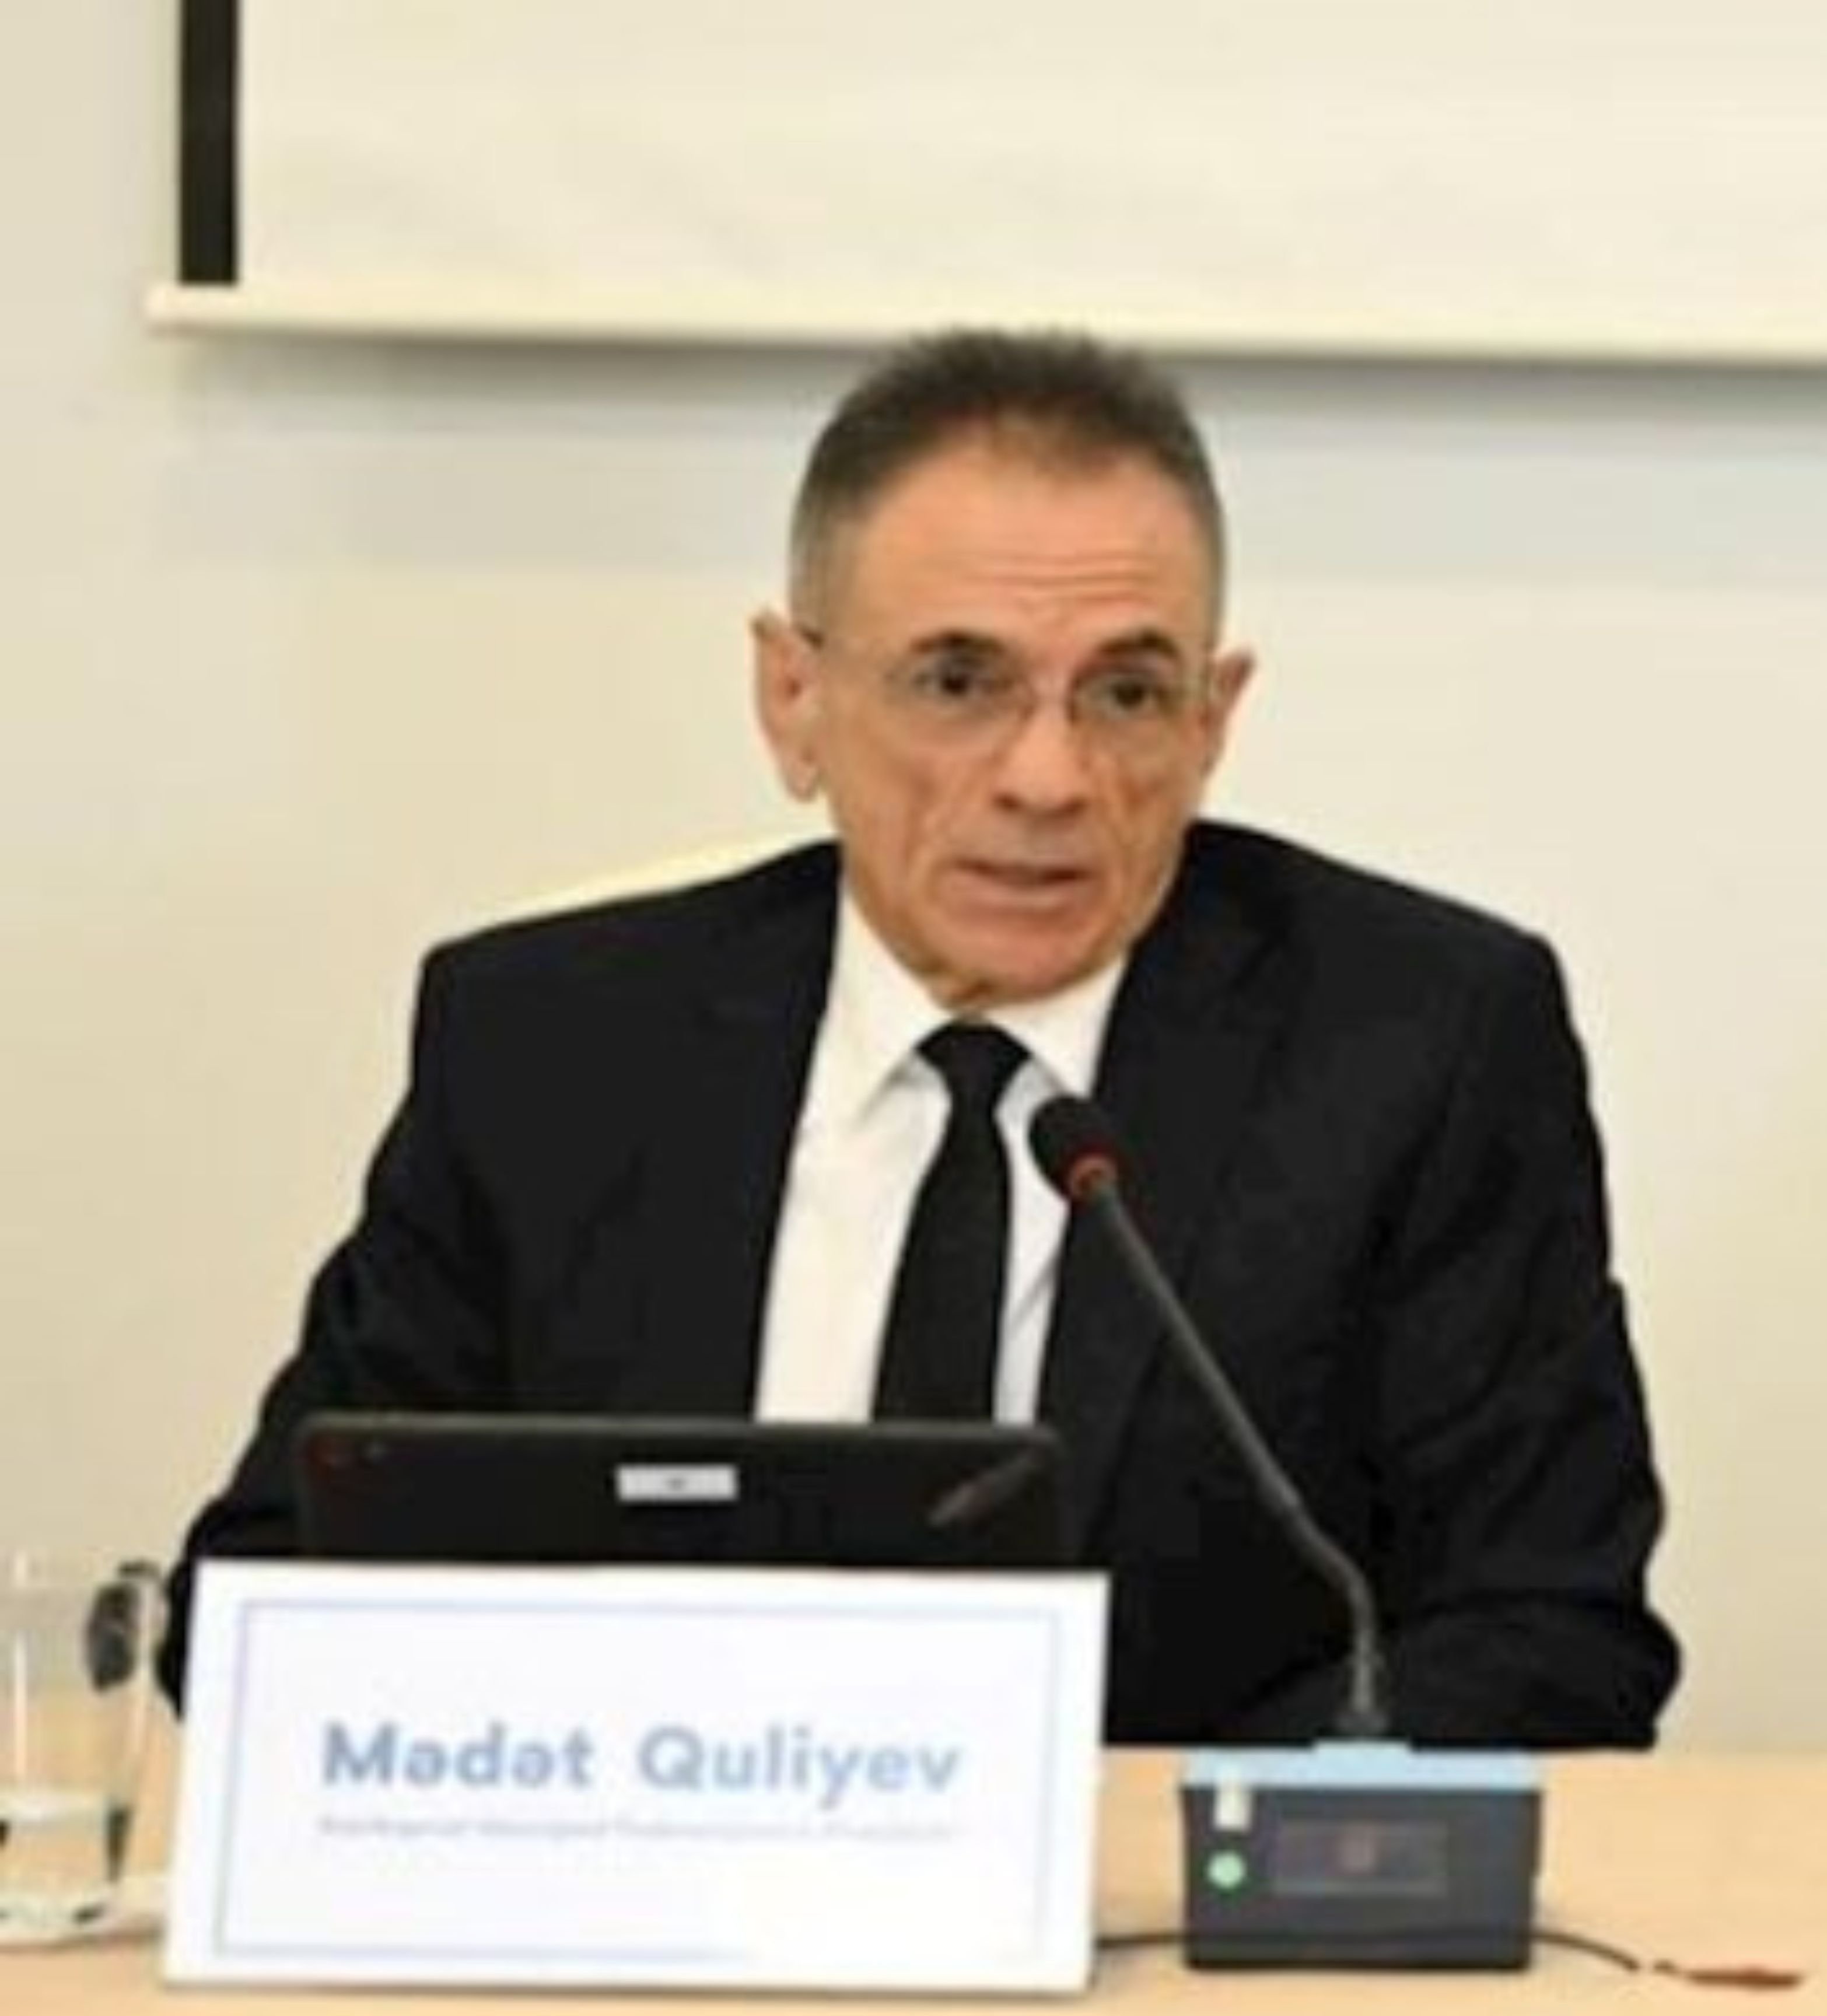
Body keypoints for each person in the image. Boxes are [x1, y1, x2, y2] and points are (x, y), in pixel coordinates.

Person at [174, 330, 1680, 1748]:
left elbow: (1551, 1631)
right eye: (959, 683)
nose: (1048, 777)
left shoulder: (1418, 1047)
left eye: (1127, 693)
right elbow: (261, 1601)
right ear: (794, 699)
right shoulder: (550, 1051)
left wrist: (1098, 1842)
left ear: (1212, 721)